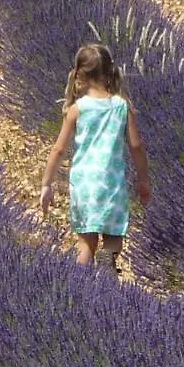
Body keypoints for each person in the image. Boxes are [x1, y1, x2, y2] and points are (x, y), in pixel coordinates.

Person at [39, 43, 151, 276]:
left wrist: (46, 184)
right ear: (110, 71)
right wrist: (143, 179)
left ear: (79, 74)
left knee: (85, 244)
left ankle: (80, 287)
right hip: (112, 185)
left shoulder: (78, 109)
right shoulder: (121, 107)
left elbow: (58, 150)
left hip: (84, 186)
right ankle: (108, 262)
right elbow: (136, 146)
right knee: (113, 238)